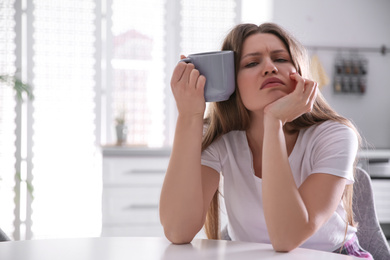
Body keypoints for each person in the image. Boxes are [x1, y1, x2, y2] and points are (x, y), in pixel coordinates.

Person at [159, 23, 373, 259]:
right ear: (231, 82)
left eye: (281, 59)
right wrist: (189, 116)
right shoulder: (220, 138)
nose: (270, 68)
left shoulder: (335, 135)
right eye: (252, 63)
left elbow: (286, 238)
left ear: (299, 72)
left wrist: (274, 123)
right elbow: (178, 230)